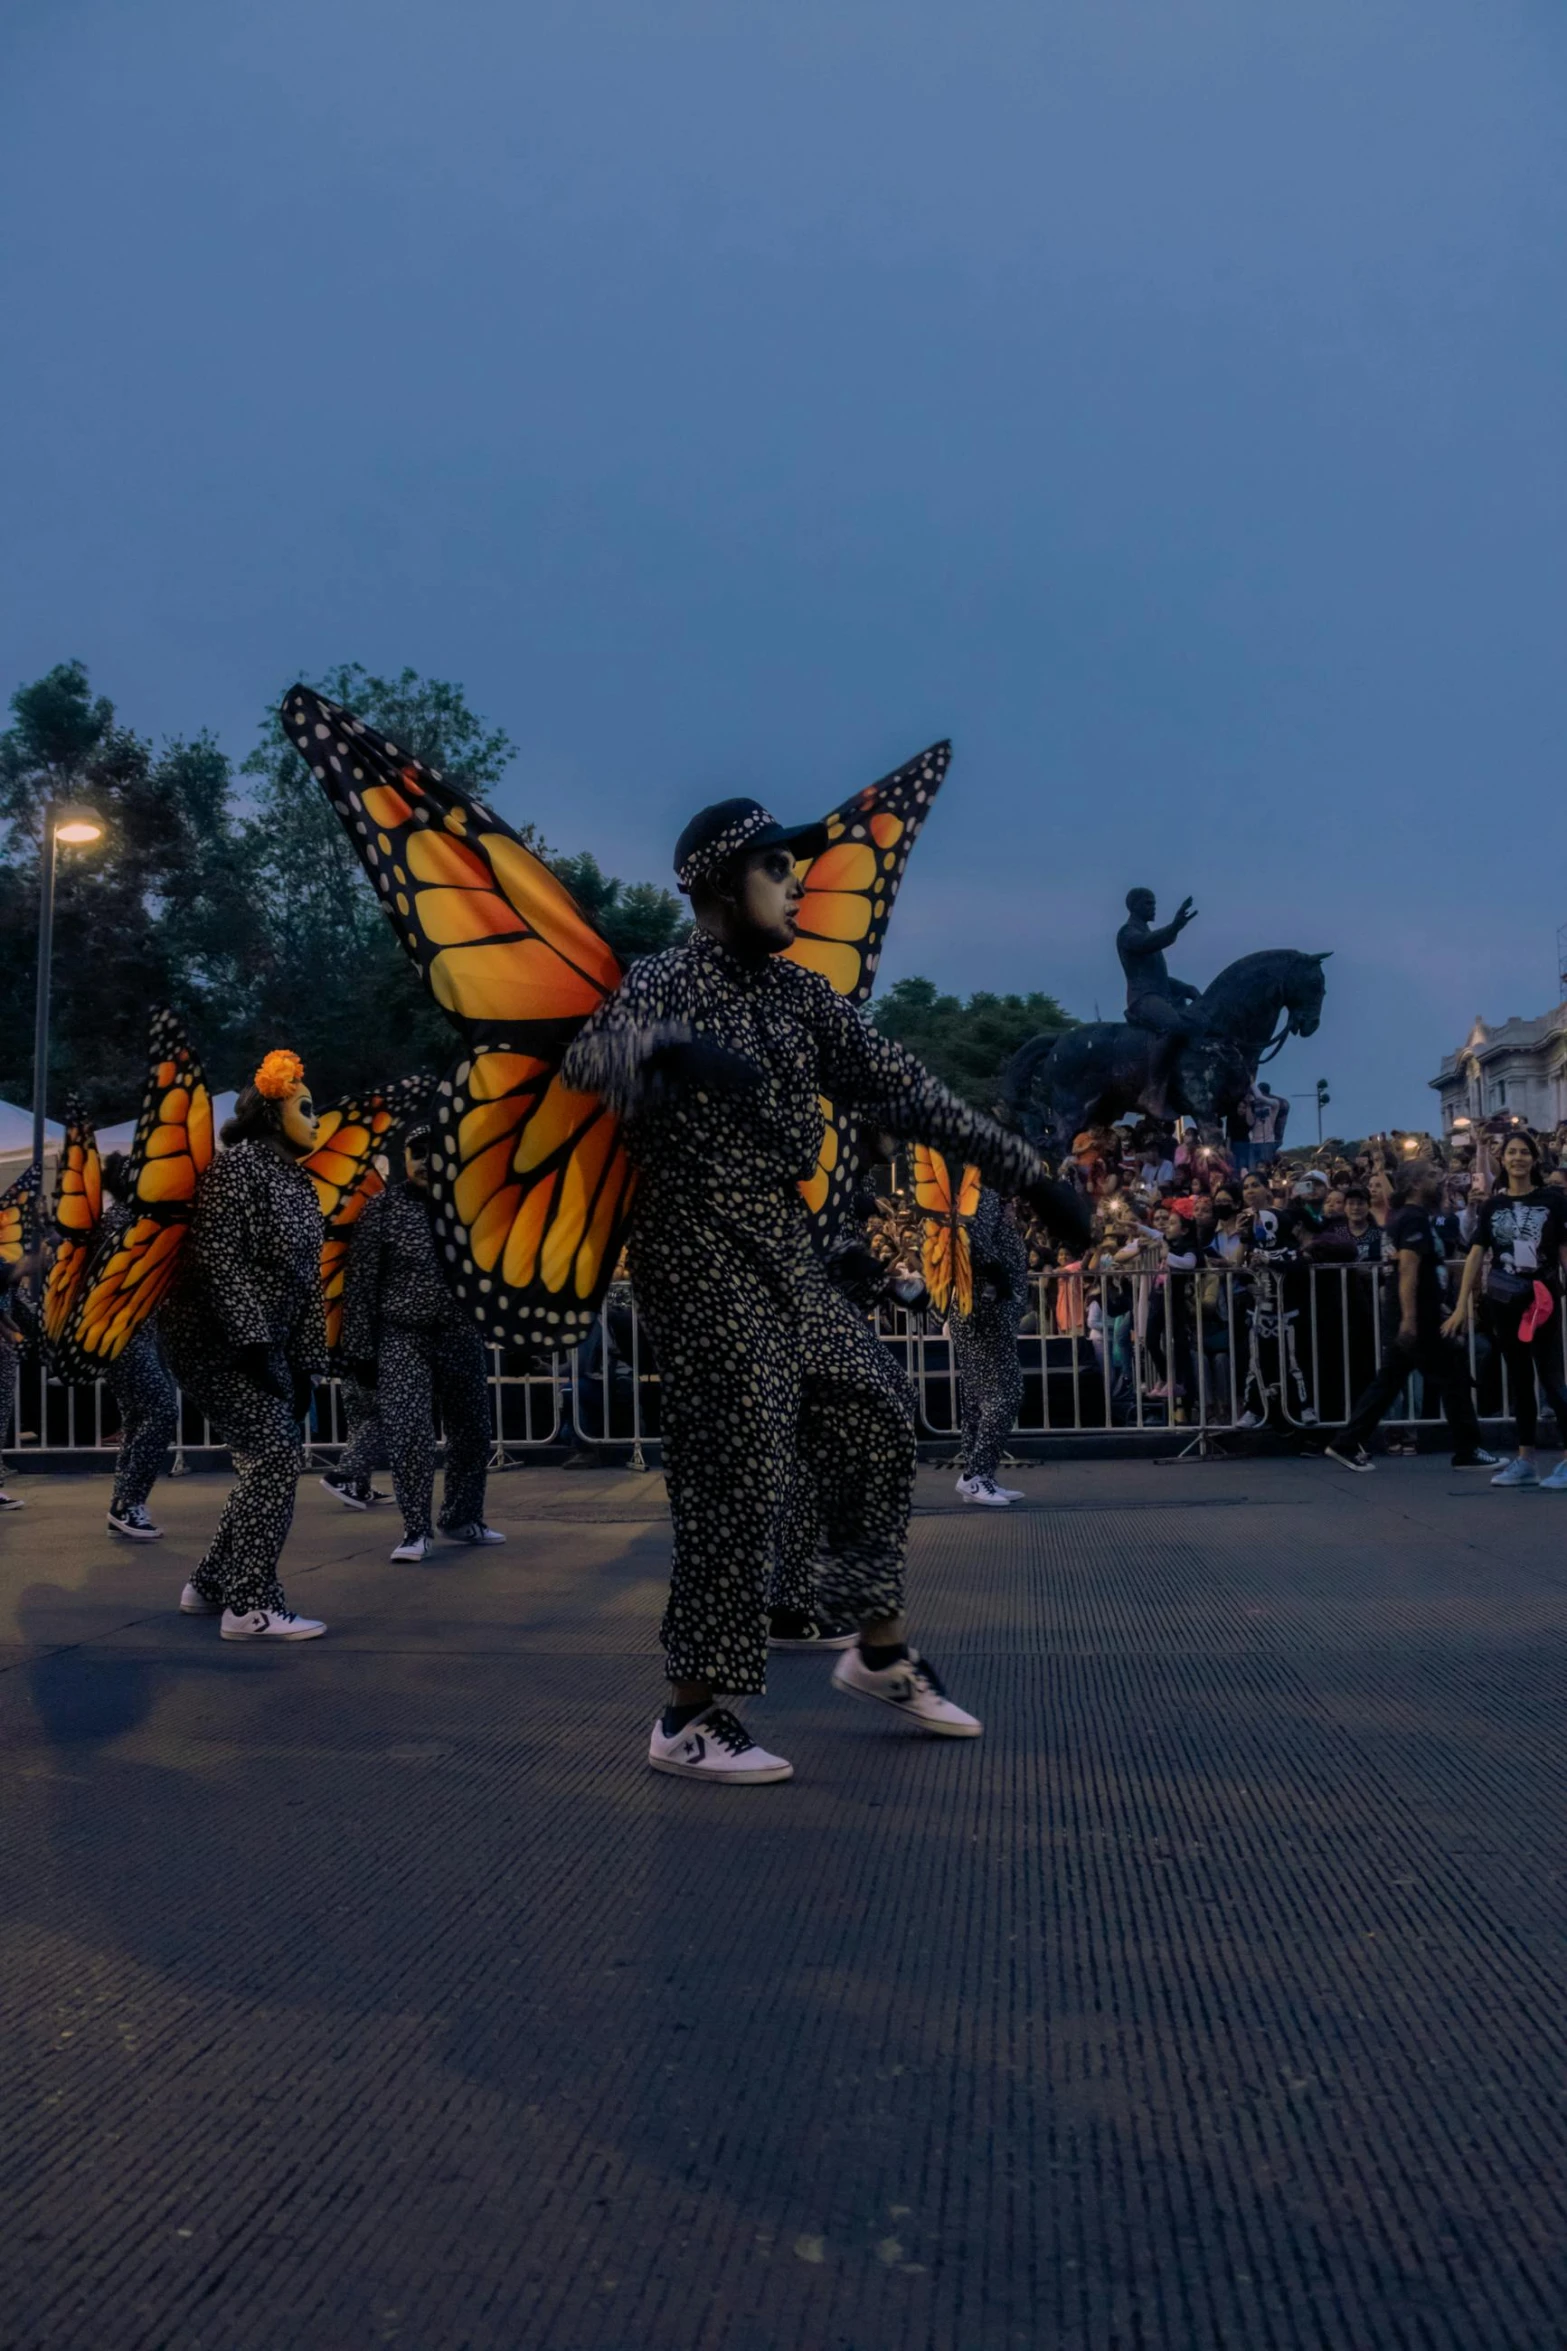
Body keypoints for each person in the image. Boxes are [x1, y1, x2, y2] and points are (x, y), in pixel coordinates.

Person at [561, 792, 1087, 1784]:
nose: (798, 877)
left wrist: (1032, 1173)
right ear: (718, 886)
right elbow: (582, 1058)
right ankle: (687, 1712)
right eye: (774, 866)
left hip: (781, 1245)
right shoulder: (662, 980)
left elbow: (913, 1090)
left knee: (875, 1415)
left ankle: (878, 1651)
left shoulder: (802, 997)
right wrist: (661, 1048)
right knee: (738, 1464)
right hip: (693, 1247)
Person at [161, 1050, 330, 1640]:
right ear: (269, 1112)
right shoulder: (237, 1170)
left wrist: (305, 1363)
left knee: (268, 1456)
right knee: (277, 1454)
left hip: (265, 1346)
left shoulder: (300, 1186)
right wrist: (254, 1347)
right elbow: (217, 1260)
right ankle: (249, 1604)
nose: (318, 1118)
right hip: (213, 1342)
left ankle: (209, 1583)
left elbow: (308, 1280)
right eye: (305, 1107)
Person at [340, 1122, 503, 1562]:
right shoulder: (383, 1209)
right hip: (402, 1336)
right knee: (410, 1432)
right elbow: (360, 1284)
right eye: (418, 1151)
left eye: (436, 1151)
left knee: (472, 1431)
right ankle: (416, 1529)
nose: (427, 1160)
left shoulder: (468, 1207)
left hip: (459, 1332)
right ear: (404, 1157)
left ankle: (462, 1516)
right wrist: (358, 1353)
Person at [1325, 1160, 1501, 1475]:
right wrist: (1410, 1318)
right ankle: (1467, 1449)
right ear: (1417, 1184)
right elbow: (1407, 1267)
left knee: (1392, 1382)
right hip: (1418, 1317)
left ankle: (1346, 1443)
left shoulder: (1406, 1217)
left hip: (1419, 1313)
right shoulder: (1414, 1218)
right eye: (1433, 1176)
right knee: (1449, 1378)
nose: (1441, 1180)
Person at [1443, 1129, 1567, 1489]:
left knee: (1552, 1378)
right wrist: (1461, 1305)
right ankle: (1525, 1459)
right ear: (1503, 1159)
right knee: (1520, 1381)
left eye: (1524, 1152)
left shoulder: (1553, 1199)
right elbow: (1477, 1253)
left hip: (1541, 1299)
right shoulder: (1493, 1205)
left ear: (1534, 1159)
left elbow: (1562, 1248)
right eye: (1511, 1152)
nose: (1517, 1158)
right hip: (1505, 1300)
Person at [99, 1151, 180, 1542]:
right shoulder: (121, 1221)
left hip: (136, 1332)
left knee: (138, 1417)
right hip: (124, 1333)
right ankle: (128, 1503)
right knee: (161, 1410)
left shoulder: (127, 1219)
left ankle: (124, 1503)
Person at [951, 1183, 1030, 1507]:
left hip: (981, 1312)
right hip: (985, 1314)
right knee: (1006, 1393)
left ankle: (978, 1475)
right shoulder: (986, 1195)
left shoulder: (988, 1196)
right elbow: (975, 1241)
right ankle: (975, 1476)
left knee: (977, 1401)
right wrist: (997, 1280)